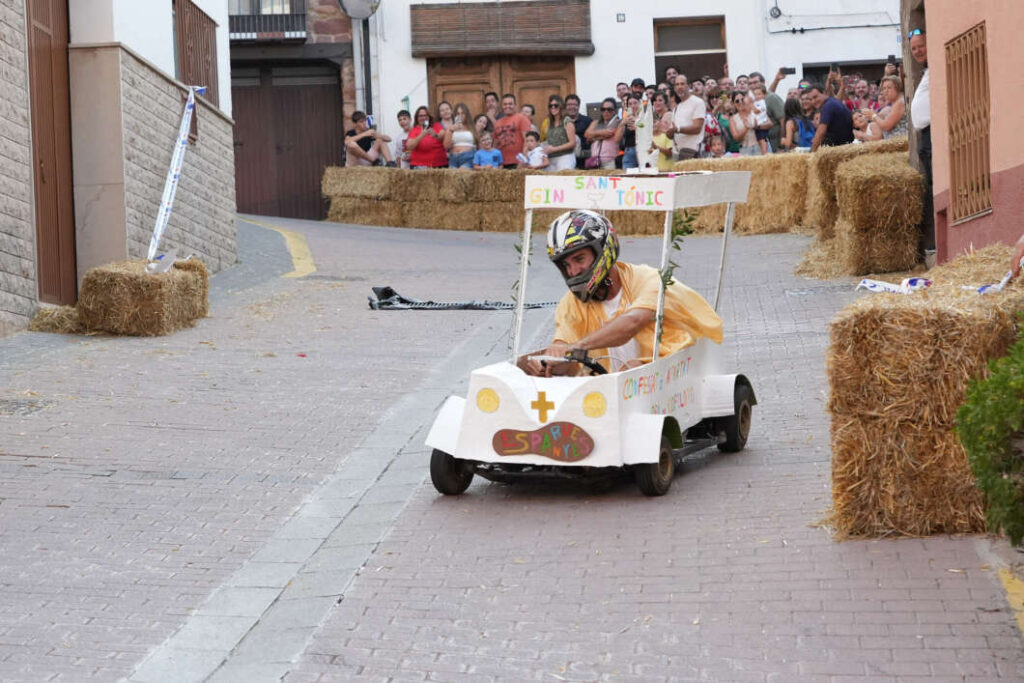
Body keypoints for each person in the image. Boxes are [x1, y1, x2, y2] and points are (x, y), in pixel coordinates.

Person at [518, 210, 723, 376]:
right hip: (608, 393)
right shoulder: (571, 303)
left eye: (579, 259)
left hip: (671, 373)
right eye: (566, 265)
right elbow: (564, 348)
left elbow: (632, 322)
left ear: (603, 251)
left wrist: (578, 345)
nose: (573, 271)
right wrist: (550, 363)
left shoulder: (650, 280)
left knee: (632, 368)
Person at [908, 27, 934, 258]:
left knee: (933, 187)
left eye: (921, 46)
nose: (917, 51)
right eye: (913, 48)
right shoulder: (926, 70)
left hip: (933, 135)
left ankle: (934, 245)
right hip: (926, 136)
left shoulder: (936, 66)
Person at [807, 83, 853, 151]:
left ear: (824, 93)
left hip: (837, 149)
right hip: (843, 147)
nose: (813, 101)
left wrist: (812, 153)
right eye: (810, 99)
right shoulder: (833, 102)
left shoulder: (828, 106)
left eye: (815, 97)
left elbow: (821, 132)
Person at [670, 74, 706, 160]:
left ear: (688, 86)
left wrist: (677, 129)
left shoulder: (698, 102)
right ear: (674, 88)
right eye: (677, 84)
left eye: (682, 84)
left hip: (692, 152)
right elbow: (674, 130)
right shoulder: (677, 107)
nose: (679, 87)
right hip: (677, 153)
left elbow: (697, 128)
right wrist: (669, 132)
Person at [492, 94, 532, 169]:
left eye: (510, 104)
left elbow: (527, 140)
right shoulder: (497, 123)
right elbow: (495, 145)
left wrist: (523, 160)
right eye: (505, 104)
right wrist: (494, 162)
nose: (507, 106)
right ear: (502, 106)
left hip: (518, 162)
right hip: (501, 163)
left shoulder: (522, 118)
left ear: (515, 105)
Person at [584, 98, 624, 170]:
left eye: (609, 109)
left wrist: (593, 136)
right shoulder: (595, 122)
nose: (606, 112)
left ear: (614, 111)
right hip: (594, 161)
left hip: (610, 161)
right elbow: (587, 134)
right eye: (603, 109)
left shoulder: (618, 122)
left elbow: (609, 133)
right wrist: (601, 133)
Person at [542, 95, 577, 171]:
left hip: (565, 157)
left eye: (556, 105)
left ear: (561, 106)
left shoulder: (567, 121)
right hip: (550, 158)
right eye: (551, 106)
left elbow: (572, 143)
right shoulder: (549, 123)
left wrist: (554, 149)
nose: (553, 108)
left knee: (563, 180)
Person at [443, 103, 477, 169]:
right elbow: (446, 146)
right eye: (458, 114)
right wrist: (451, 131)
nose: (460, 115)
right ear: (455, 115)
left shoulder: (472, 127)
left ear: (466, 114)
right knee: (453, 178)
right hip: (454, 158)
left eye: (462, 113)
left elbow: (478, 143)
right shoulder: (451, 128)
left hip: (468, 157)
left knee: (462, 176)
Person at [564, 94, 593, 169]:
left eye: (575, 105)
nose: (572, 107)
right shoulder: (560, 122)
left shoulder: (587, 120)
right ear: (565, 106)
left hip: (583, 162)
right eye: (569, 105)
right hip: (565, 160)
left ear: (579, 106)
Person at [620, 94, 641, 169]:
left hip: (642, 149)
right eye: (630, 104)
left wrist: (637, 128)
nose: (633, 106)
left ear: (640, 103)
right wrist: (622, 124)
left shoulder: (645, 117)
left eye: (635, 103)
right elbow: (619, 136)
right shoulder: (626, 119)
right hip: (629, 149)